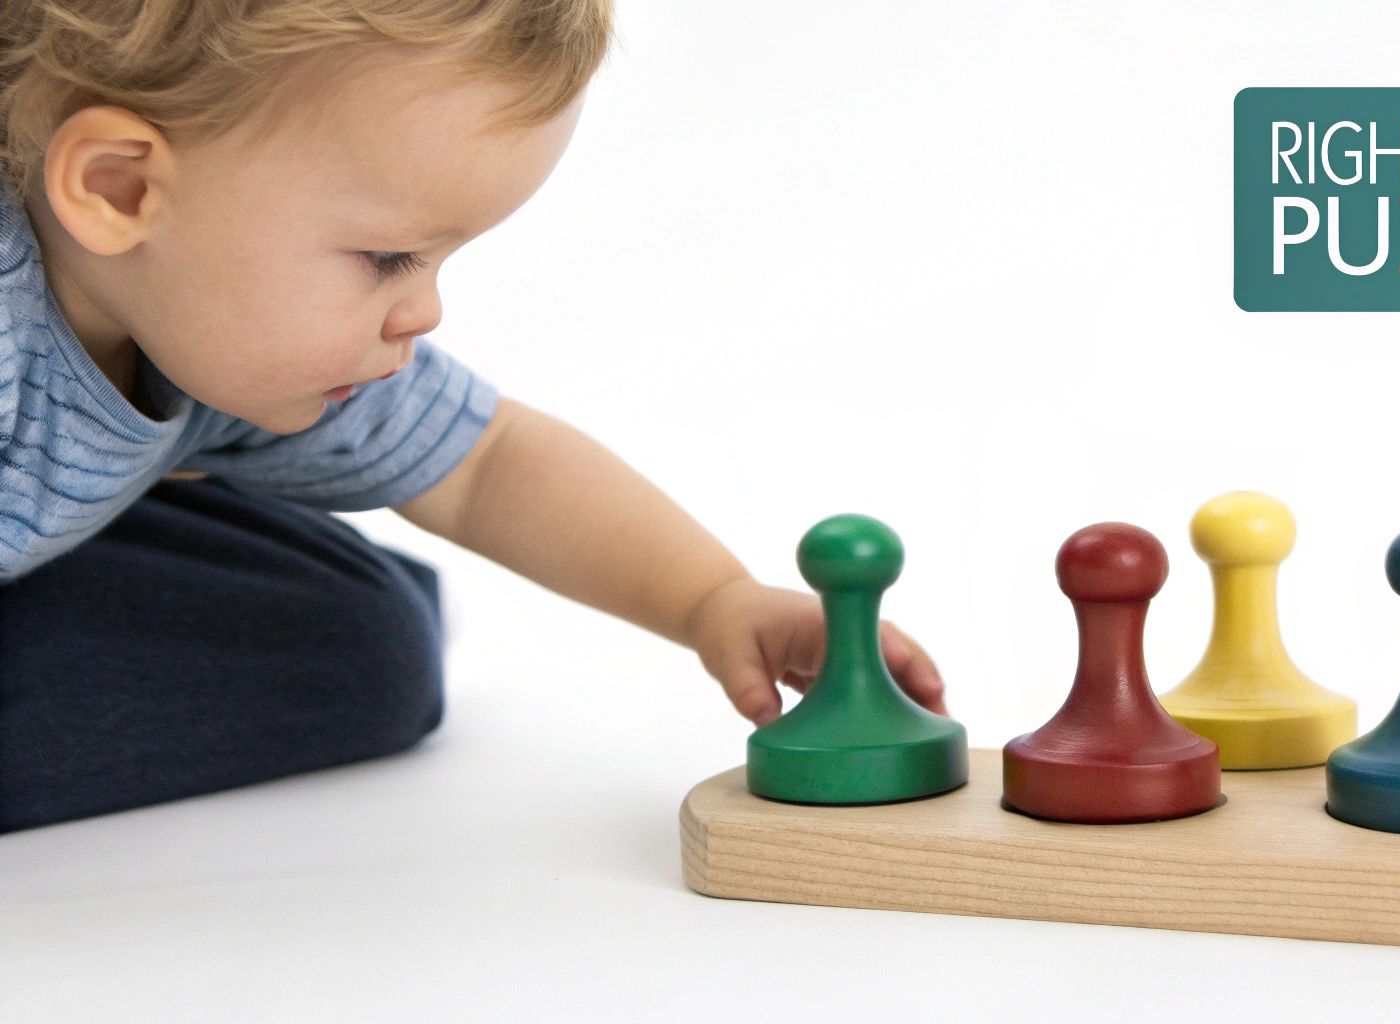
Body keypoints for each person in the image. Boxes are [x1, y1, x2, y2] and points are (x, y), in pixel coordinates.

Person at [0, 0, 947, 833]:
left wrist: (714, 601)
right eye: (385, 258)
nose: (424, 314)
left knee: (369, 648)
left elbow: (486, 462)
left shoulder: (204, 327)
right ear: (119, 189)